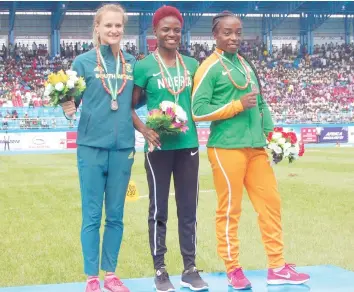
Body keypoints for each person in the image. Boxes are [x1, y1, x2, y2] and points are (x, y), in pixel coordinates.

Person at [191, 11, 310, 290]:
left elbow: (260, 104)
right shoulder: (208, 67)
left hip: (256, 148)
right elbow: (197, 111)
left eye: (238, 32)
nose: (234, 38)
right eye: (227, 33)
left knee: (271, 204)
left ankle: (277, 266)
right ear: (215, 35)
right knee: (230, 209)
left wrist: (274, 136)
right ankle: (233, 269)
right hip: (226, 148)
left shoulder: (245, 64)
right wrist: (235, 106)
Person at [131, 6, 208, 292]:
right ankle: (160, 270)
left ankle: (190, 268)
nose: (172, 33)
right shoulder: (143, 66)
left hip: (188, 145)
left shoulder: (192, 64)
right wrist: (145, 129)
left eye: (176, 29)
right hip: (158, 148)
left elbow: (200, 103)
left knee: (189, 209)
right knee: (158, 209)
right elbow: (130, 106)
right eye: (166, 29)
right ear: (156, 32)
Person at [61, 4, 136, 292]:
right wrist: (67, 106)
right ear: (97, 27)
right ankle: (92, 277)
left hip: (123, 148)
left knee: (116, 214)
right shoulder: (81, 63)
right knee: (92, 214)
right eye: (108, 26)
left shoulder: (131, 63)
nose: (114, 30)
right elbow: (71, 105)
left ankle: (111, 275)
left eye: (118, 26)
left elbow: (134, 102)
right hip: (91, 147)